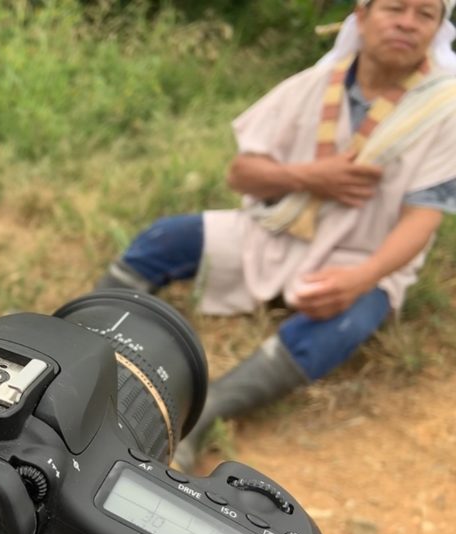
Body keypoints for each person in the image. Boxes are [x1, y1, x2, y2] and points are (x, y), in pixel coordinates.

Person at [96, 0, 456, 472]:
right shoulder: (313, 84)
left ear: (437, 30)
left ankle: (203, 414)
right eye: (395, 7)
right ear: (361, 15)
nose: (408, 23)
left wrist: (359, 280)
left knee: (339, 327)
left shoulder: (445, 108)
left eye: (426, 14)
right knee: (163, 238)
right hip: (276, 234)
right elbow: (242, 174)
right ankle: (85, 348)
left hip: (361, 256)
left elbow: (421, 221)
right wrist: (311, 176)